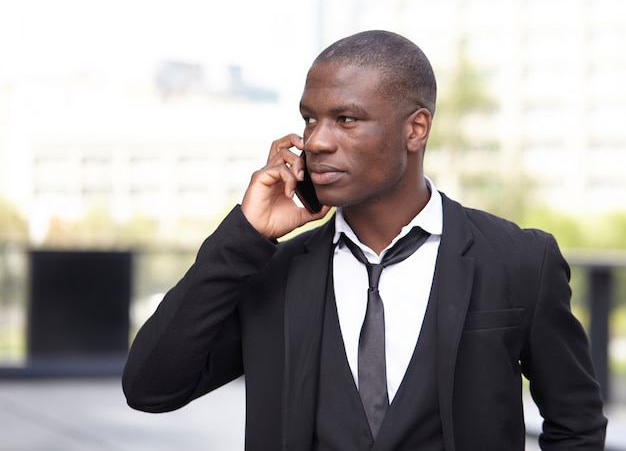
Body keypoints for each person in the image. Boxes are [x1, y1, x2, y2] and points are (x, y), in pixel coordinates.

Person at [122, 30, 607, 450]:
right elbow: (151, 388)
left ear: (415, 129)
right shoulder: (274, 273)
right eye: (310, 118)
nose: (315, 141)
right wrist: (244, 236)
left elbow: (576, 423)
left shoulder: (518, 259)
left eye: (346, 119)